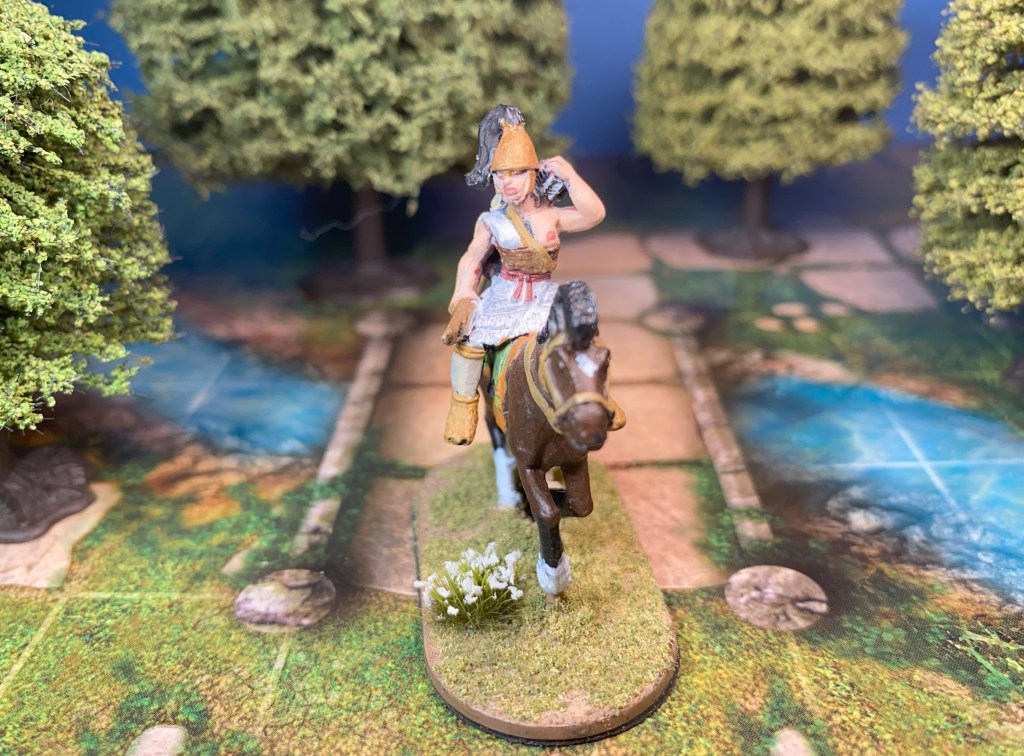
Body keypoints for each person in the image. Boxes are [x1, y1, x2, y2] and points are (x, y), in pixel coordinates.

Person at [441, 105, 623, 445]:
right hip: (504, 295)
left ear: (533, 173)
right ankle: (462, 407)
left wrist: (570, 176)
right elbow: (472, 258)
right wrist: (464, 292)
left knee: (584, 337)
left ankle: (601, 400)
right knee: (469, 341)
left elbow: (594, 214)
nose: (507, 182)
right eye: (500, 175)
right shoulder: (491, 221)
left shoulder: (551, 216)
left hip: (543, 295)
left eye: (516, 173)